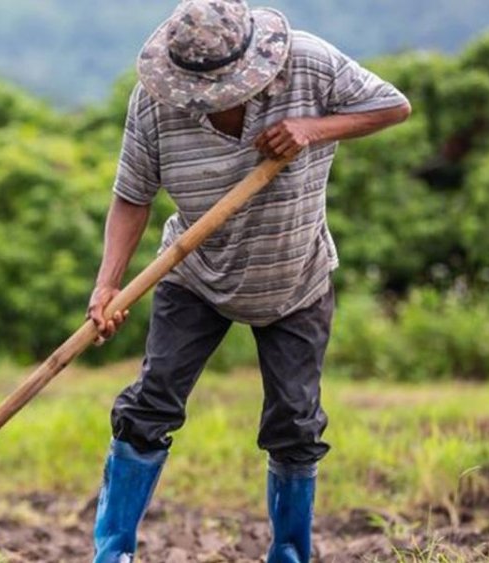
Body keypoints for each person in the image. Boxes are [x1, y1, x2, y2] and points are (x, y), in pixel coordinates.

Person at [86, 1, 411, 561]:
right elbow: (131, 197)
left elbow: (393, 106)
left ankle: (289, 554)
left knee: (295, 423)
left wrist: (313, 128)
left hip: (295, 276)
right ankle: (111, 553)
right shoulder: (155, 105)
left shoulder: (308, 64)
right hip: (194, 275)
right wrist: (106, 287)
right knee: (149, 407)